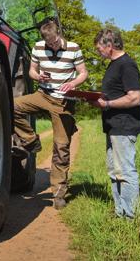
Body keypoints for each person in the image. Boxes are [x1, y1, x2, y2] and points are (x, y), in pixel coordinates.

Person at [14, 19, 88, 209]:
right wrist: (39, 76)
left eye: (55, 41)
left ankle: (58, 192)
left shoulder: (73, 48)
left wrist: (73, 84)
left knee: (61, 148)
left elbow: (83, 73)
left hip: (63, 102)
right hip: (43, 95)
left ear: (59, 33)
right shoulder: (38, 48)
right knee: (11, 107)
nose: (53, 45)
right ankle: (30, 140)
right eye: (49, 43)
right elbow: (31, 71)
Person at [91, 28, 140, 219]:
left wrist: (106, 104)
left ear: (110, 46)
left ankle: (129, 217)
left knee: (126, 172)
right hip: (113, 126)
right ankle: (119, 212)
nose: (98, 52)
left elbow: (134, 98)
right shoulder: (113, 64)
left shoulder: (127, 65)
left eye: (99, 49)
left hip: (124, 126)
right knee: (114, 171)